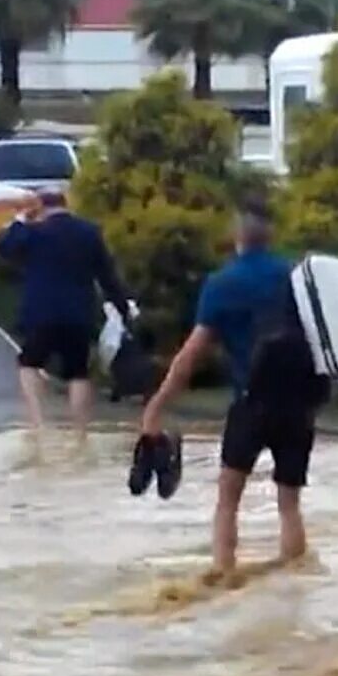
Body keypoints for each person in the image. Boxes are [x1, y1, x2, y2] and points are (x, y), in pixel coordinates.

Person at [142, 200, 314, 577]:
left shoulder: (222, 284)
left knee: (228, 498)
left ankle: (223, 575)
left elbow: (191, 354)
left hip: (250, 403)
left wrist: (156, 406)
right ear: (270, 236)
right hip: (299, 404)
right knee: (290, 504)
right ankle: (295, 585)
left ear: (237, 236)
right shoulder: (295, 277)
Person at [0, 189, 134, 437]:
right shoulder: (89, 232)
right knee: (78, 372)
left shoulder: (34, 232)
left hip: (41, 315)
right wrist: (123, 309)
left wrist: (19, 221)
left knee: (28, 363)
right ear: (66, 205)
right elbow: (108, 276)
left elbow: (5, 249)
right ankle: (80, 430)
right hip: (79, 314)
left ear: (40, 208)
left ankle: (38, 425)